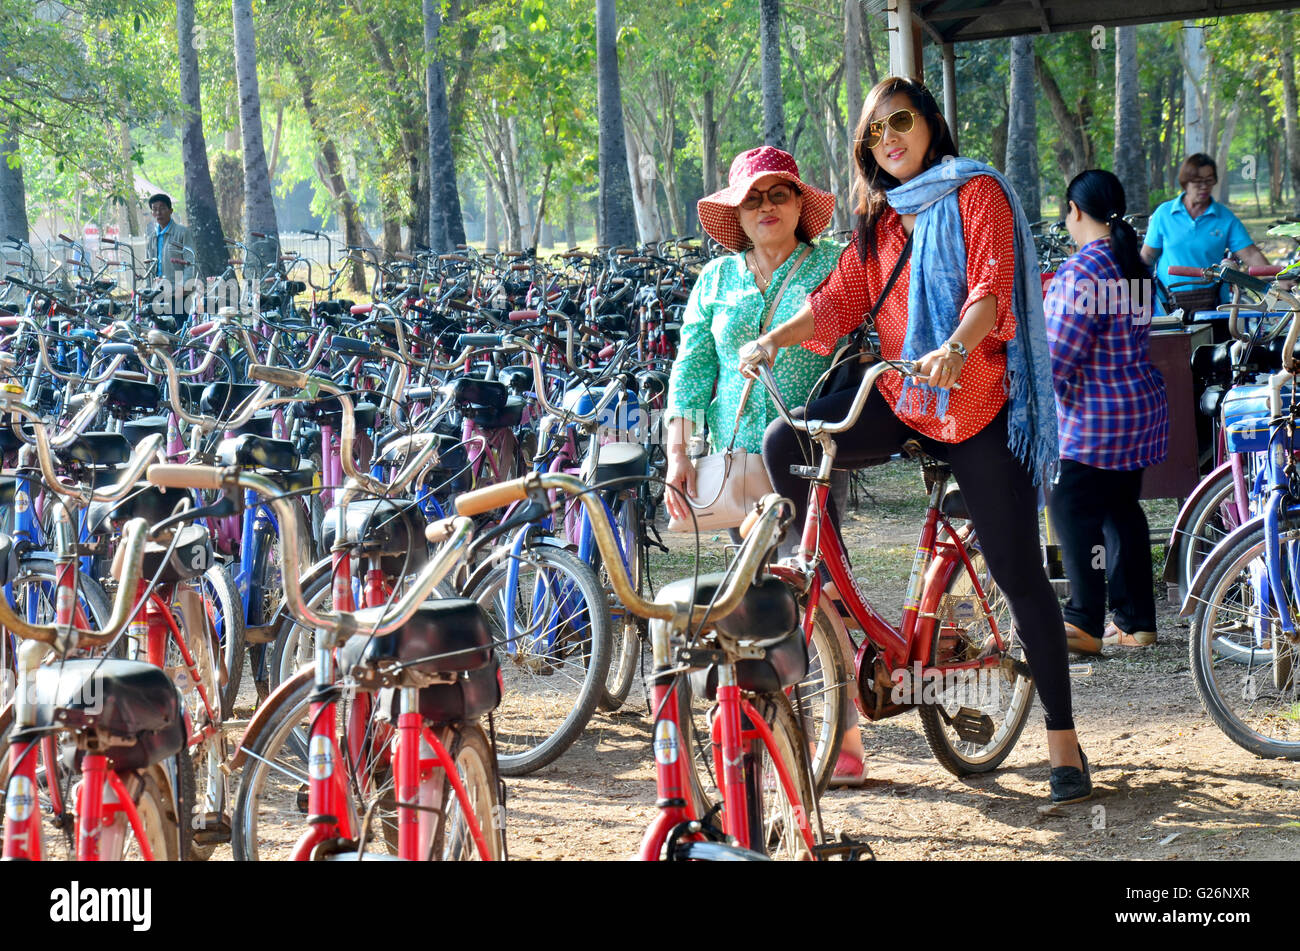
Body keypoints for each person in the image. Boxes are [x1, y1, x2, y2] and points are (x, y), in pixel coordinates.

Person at [741, 76, 1090, 804]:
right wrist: (773, 338)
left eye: (899, 121)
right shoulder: (880, 216)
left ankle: (1064, 740)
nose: (889, 138)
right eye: (875, 132)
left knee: (1020, 572)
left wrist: (957, 349)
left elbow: (989, 290)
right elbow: (839, 300)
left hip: (974, 402)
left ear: (930, 123)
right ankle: (836, 610)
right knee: (787, 442)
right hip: (904, 393)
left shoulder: (977, 194)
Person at [662, 145, 868, 786]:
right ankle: (781, 733)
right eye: (754, 198)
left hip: (808, 451)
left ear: (801, 204)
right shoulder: (714, 283)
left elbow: (866, 330)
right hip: (732, 459)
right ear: (738, 215)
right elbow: (691, 373)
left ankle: (845, 739)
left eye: (779, 194)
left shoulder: (834, 264)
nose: (768, 206)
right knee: (755, 599)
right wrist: (678, 455)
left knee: (818, 590)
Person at [1045, 170, 1168, 655]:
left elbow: (1058, 357)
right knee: (1121, 511)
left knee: (1072, 512)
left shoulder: (1081, 272)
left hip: (1092, 421)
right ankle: (1137, 622)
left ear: (1074, 211)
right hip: (1136, 412)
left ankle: (1083, 622)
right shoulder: (1133, 268)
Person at [1140, 154, 1270, 314]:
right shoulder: (1164, 214)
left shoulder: (1225, 218)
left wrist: (1276, 280)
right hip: (1168, 305)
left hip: (1212, 306)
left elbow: (1250, 254)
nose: (1203, 187)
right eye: (1197, 181)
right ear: (1185, 182)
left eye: (1209, 181)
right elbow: (1147, 257)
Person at [146, 192, 193, 299]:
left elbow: (190, 262)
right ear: (152, 213)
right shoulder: (152, 237)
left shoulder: (183, 232)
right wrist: (149, 288)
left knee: (178, 315)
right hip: (156, 291)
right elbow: (148, 266)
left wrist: (184, 287)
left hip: (178, 292)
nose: (158, 212)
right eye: (154, 209)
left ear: (170, 211)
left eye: (162, 208)